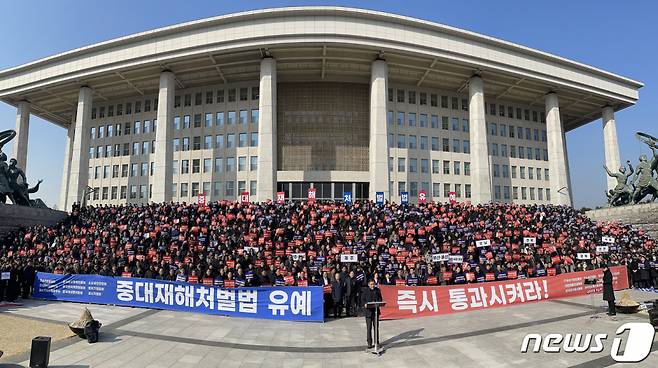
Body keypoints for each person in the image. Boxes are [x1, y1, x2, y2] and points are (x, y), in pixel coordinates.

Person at [360, 279, 383, 350]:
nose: (372, 285)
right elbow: (362, 300)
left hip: (376, 312)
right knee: (369, 328)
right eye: (371, 284)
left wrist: (378, 302)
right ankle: (369, 343)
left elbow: (380, 299)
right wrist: (365, 304)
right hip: (368, 313)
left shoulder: (377, 290)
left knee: (376, 328)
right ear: (368, 284)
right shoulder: (365, 291)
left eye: (373, 284)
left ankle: (377, 342)